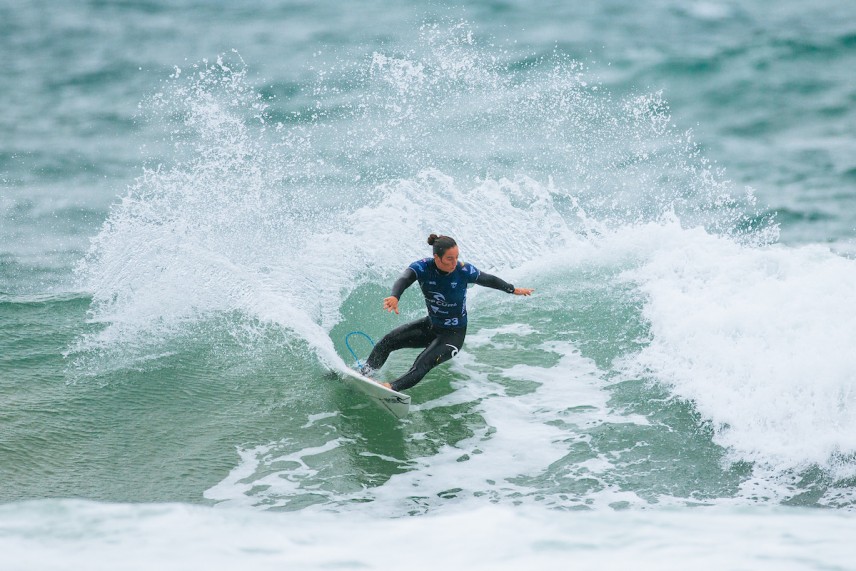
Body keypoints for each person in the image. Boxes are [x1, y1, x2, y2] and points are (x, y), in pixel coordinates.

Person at [360, 234, 534, 392]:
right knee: (388, 341)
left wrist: (513, 289)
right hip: (431, 326)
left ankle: (390, 388)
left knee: (423, 362)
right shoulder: (422, 267)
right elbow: (404, 278)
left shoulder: (463, 270)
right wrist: (395, 296)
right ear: (437, 257)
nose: (454, 262)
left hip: (452, 335)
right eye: (449, 259)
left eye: (456, 257)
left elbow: (488, 279)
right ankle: (364, 375)